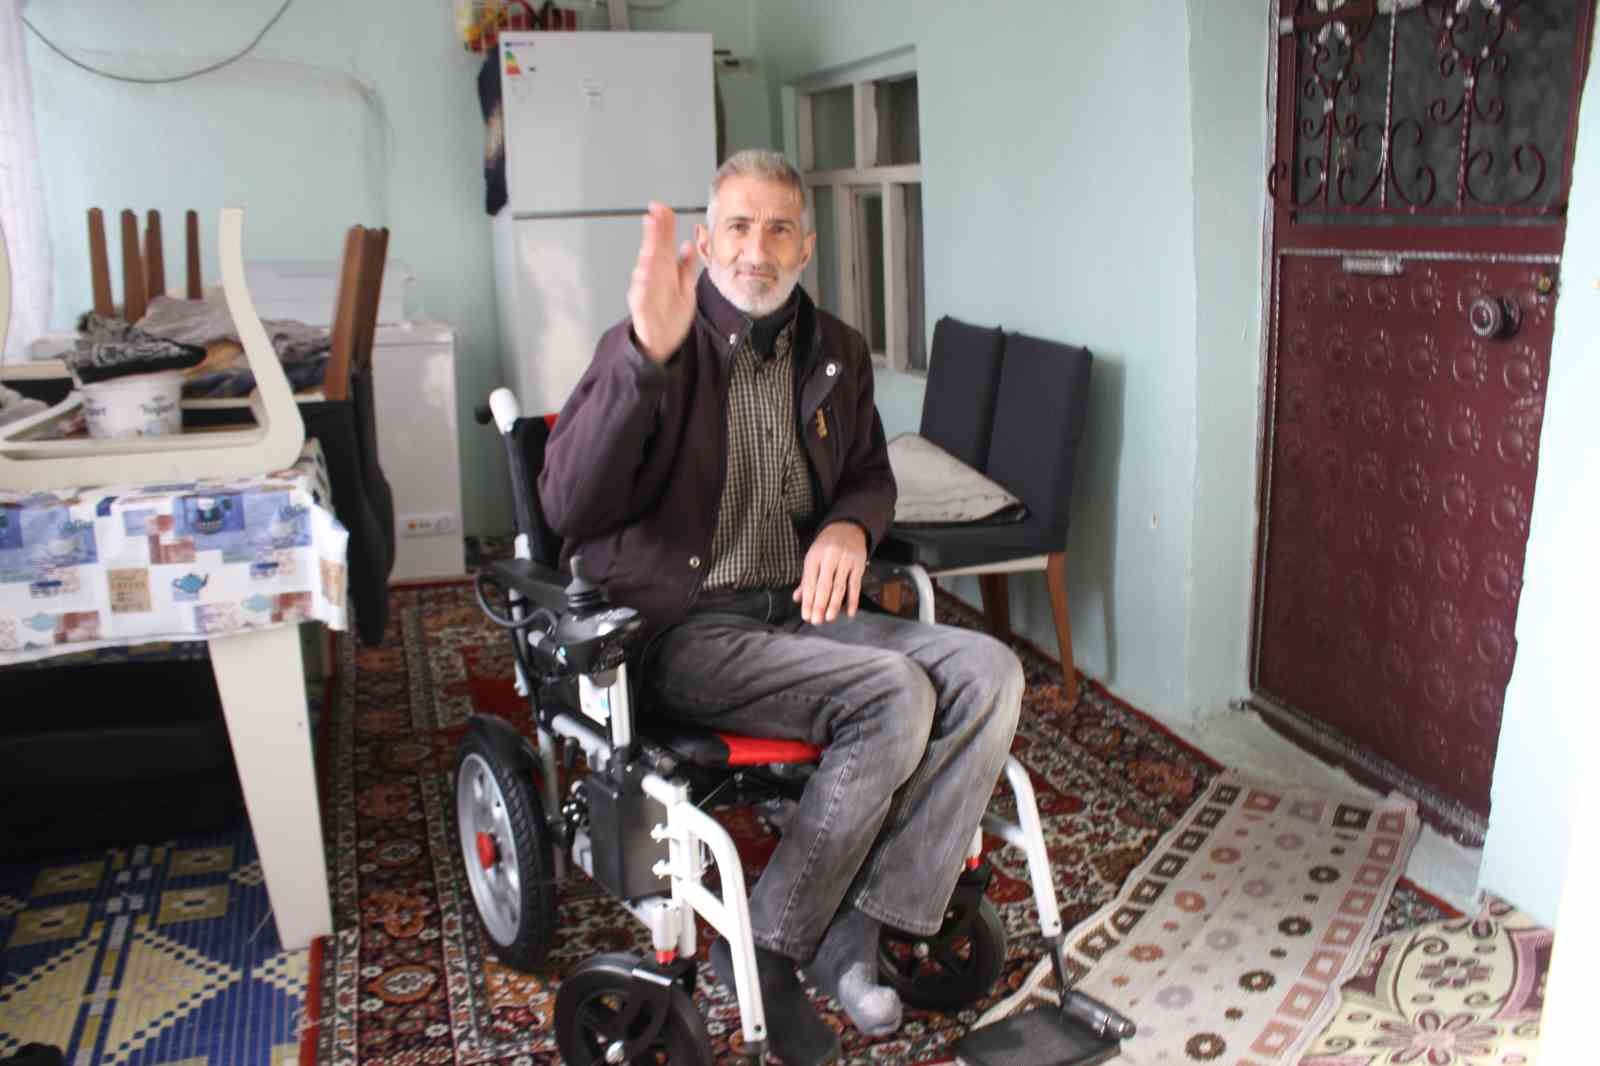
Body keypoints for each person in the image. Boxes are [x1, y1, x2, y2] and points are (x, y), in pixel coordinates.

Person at [539, 149, 1024, 1066]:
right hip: (684, 628)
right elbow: (566, 504)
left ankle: (860, 927)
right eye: (737, 226)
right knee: (895, 695)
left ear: (806, 245)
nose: (755, 250)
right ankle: (763, 950)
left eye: (777, 229)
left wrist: (849, 525)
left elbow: (871, 474)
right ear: (705, 239)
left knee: (989, 670)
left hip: (804, 613)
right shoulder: (651, 344)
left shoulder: (835, 349)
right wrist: (642, 360)